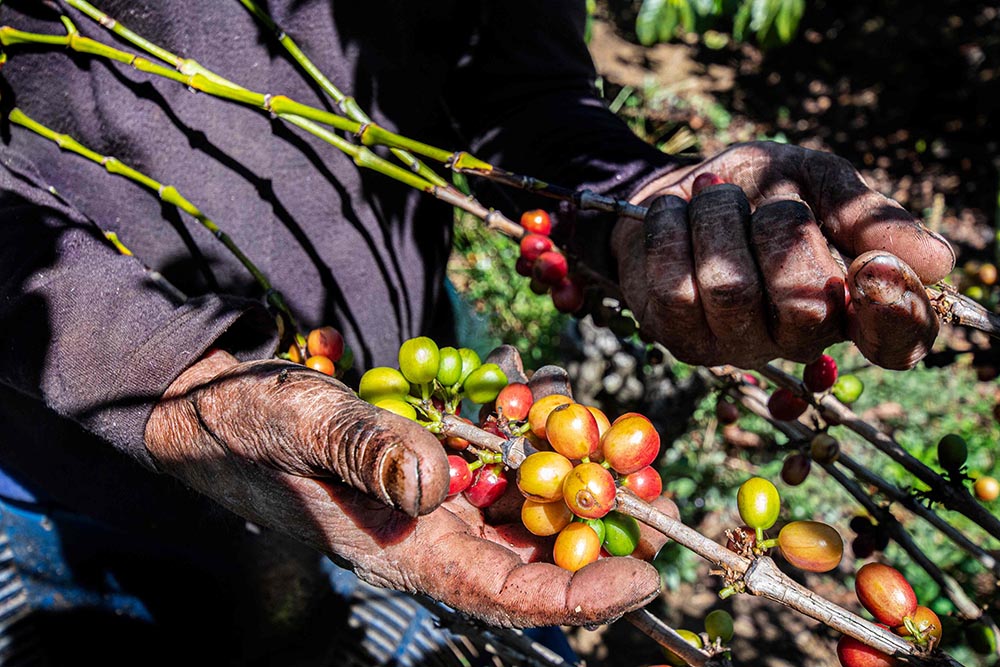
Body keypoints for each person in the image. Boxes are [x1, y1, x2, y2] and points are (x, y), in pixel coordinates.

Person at [0, 1, 952, 665]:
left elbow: (519, 84)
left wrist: (633, 205)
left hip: (398, 388)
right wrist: (173, 383)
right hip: (83, 460)